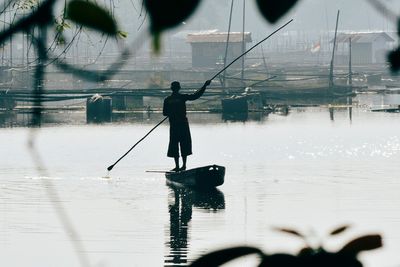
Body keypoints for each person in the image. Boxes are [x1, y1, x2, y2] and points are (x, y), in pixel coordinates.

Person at [163, 80, 211, 171]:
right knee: (184, 143)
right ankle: (184, 166)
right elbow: (195, 96)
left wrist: (171, 112)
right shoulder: (182, 97)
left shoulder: (167, 99)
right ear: (179, 88)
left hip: (174, 125)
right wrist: (205, 86)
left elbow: (164, 113)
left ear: (171, 88)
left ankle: (177, 166)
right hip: (183, 124)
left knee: (174, 144)